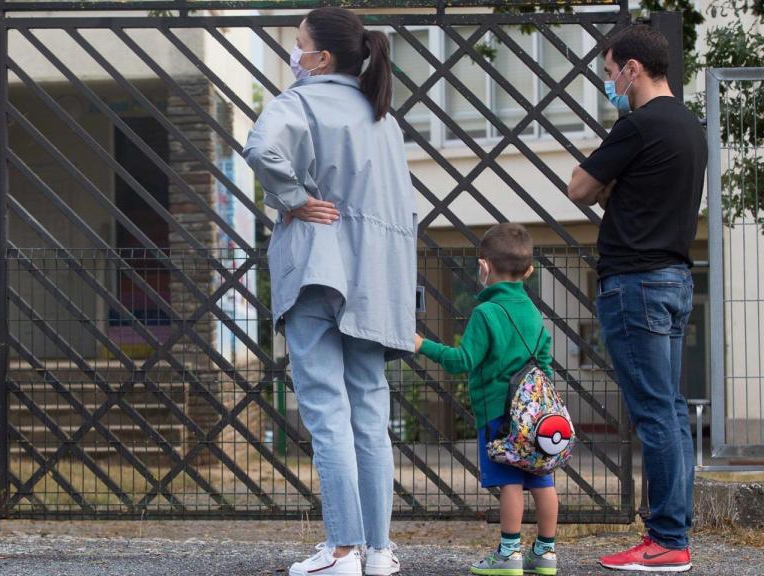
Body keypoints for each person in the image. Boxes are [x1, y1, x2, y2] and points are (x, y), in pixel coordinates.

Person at [242, 7, 417, 576]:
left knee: (326, 411)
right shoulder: (384, 119)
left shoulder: (300, 100)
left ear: (321, 57)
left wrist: (294, 198)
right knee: (369, 410)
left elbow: (262, 149)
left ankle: (342, 550)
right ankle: (379, 551)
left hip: (318, 270)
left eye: (298, 46)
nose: (294, 55)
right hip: (376, 280)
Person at [567, 24, 705, 573]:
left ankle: (666, 540)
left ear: (632, 68)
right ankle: (675, 531)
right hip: (673, 278)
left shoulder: (638, 126)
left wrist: (607, 182)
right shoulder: (690, 127)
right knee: (669, 411)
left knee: (654, 415)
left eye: (609, 73)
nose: (610, 84)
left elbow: (580, 186)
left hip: (636, 284)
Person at [415, 224, 559, 576]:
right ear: (528, 271)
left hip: (498, 415)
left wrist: (423, 345)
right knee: (542, 481)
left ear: (484, 267)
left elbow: (463, 360)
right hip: (537, 417)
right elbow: (544, 364)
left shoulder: (485, 314)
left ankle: (509, 554)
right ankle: (545, 554)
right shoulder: (533, 312)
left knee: (510, 483)